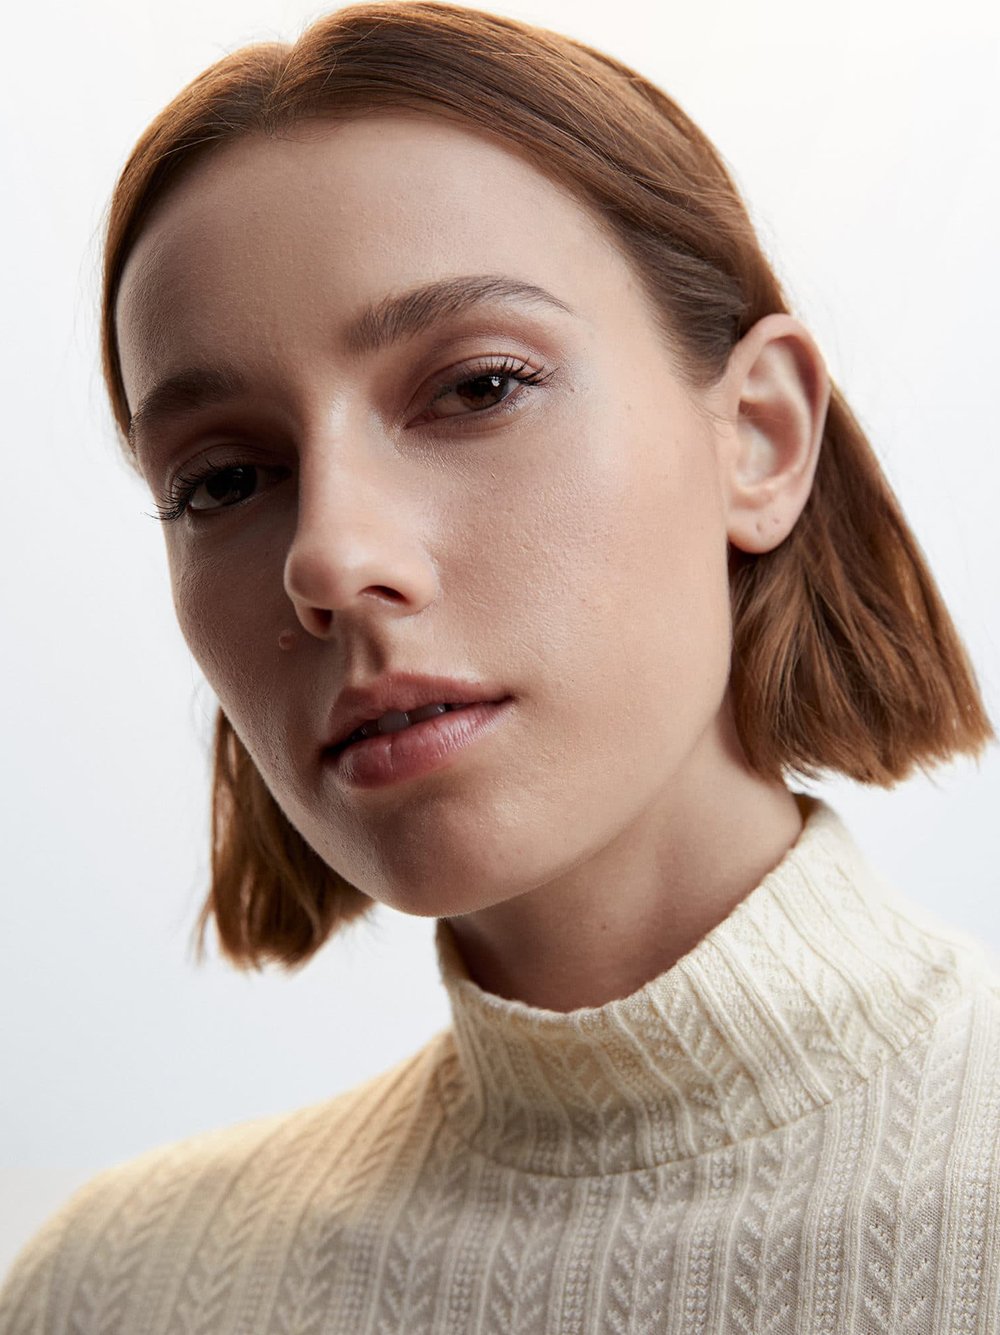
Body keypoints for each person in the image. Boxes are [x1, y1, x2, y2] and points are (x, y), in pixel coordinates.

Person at [2, 2, 997, 1330]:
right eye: (223, 481)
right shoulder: (115, 1293)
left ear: (759, 437)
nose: (330, 557)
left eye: (477, 387)